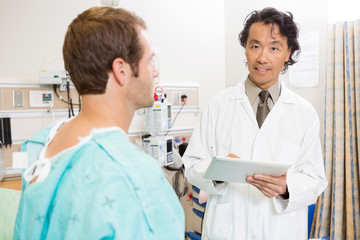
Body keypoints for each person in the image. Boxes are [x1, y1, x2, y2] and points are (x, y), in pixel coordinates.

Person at [14, 7, 184, 240]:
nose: (154, 71)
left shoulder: (39, 146)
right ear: (121, 70)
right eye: (149, 60)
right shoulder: (135, 176)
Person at [183, 7, 327, 240]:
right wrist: (217, 172)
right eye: (255, 46)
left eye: (274, 48)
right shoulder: (217, 105)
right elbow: (191, 165)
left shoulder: (304, 113)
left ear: (288, 53)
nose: (262, 58)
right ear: (245, 49)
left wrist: (286, 187)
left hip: (280, 231)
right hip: (227, 229)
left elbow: (315, 179)